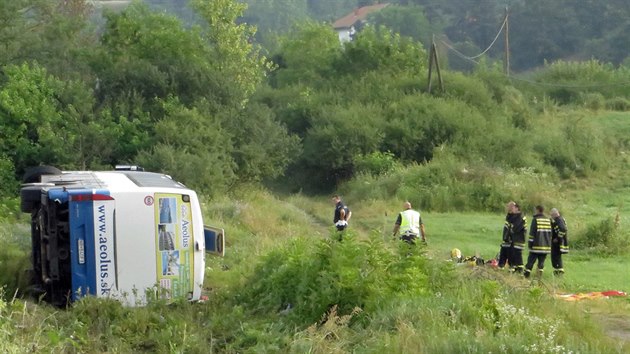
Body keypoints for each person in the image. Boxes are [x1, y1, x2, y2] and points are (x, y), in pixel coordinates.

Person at [524, 205, 552, 278]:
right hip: (546, 246)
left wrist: (530, 244)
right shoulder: (548, 220)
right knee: (541, 262)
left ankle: (526, 275)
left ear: (538, 210)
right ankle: (539, 277)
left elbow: (532, 234)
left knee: (530, 261)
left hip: (536, 246)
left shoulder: (536, 220)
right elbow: (550, 233)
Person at [508, 202, 527, 273]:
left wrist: (512, 230)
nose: (512, 209)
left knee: (518, 255)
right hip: (516, 239)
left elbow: (517, 228)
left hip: (519, 239)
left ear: (517, 208)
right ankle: (516, 268)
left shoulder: (520, 217)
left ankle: (520, 269)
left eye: (513, 208)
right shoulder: (517, 216)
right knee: (514, 254)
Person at [550, 208, 569, 275]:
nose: (551, 217)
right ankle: (557, 271)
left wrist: (557, 238)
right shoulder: (559, 219)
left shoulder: (559, 220)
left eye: (552, 215)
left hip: (558, 242)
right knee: (556, 257)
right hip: (559, 242)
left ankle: (559, 271)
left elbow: (563, 229)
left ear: (555, 214)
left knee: (556, 257)